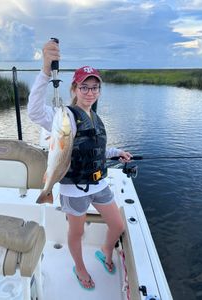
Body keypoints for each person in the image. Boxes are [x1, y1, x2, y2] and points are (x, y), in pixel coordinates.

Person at [28, 40, 132, 290]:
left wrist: (117, 153)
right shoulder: (64, 117)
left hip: (99, 182)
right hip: (74, 188)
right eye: (84, 87)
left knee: (117, 224)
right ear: (74, 88)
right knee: (77, 233)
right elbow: (34, 111)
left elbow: (93, 149)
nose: (90, 92)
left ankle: (106, 249)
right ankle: (80, 266)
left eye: (95, 87)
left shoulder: (95, 117)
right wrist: (44, 71)